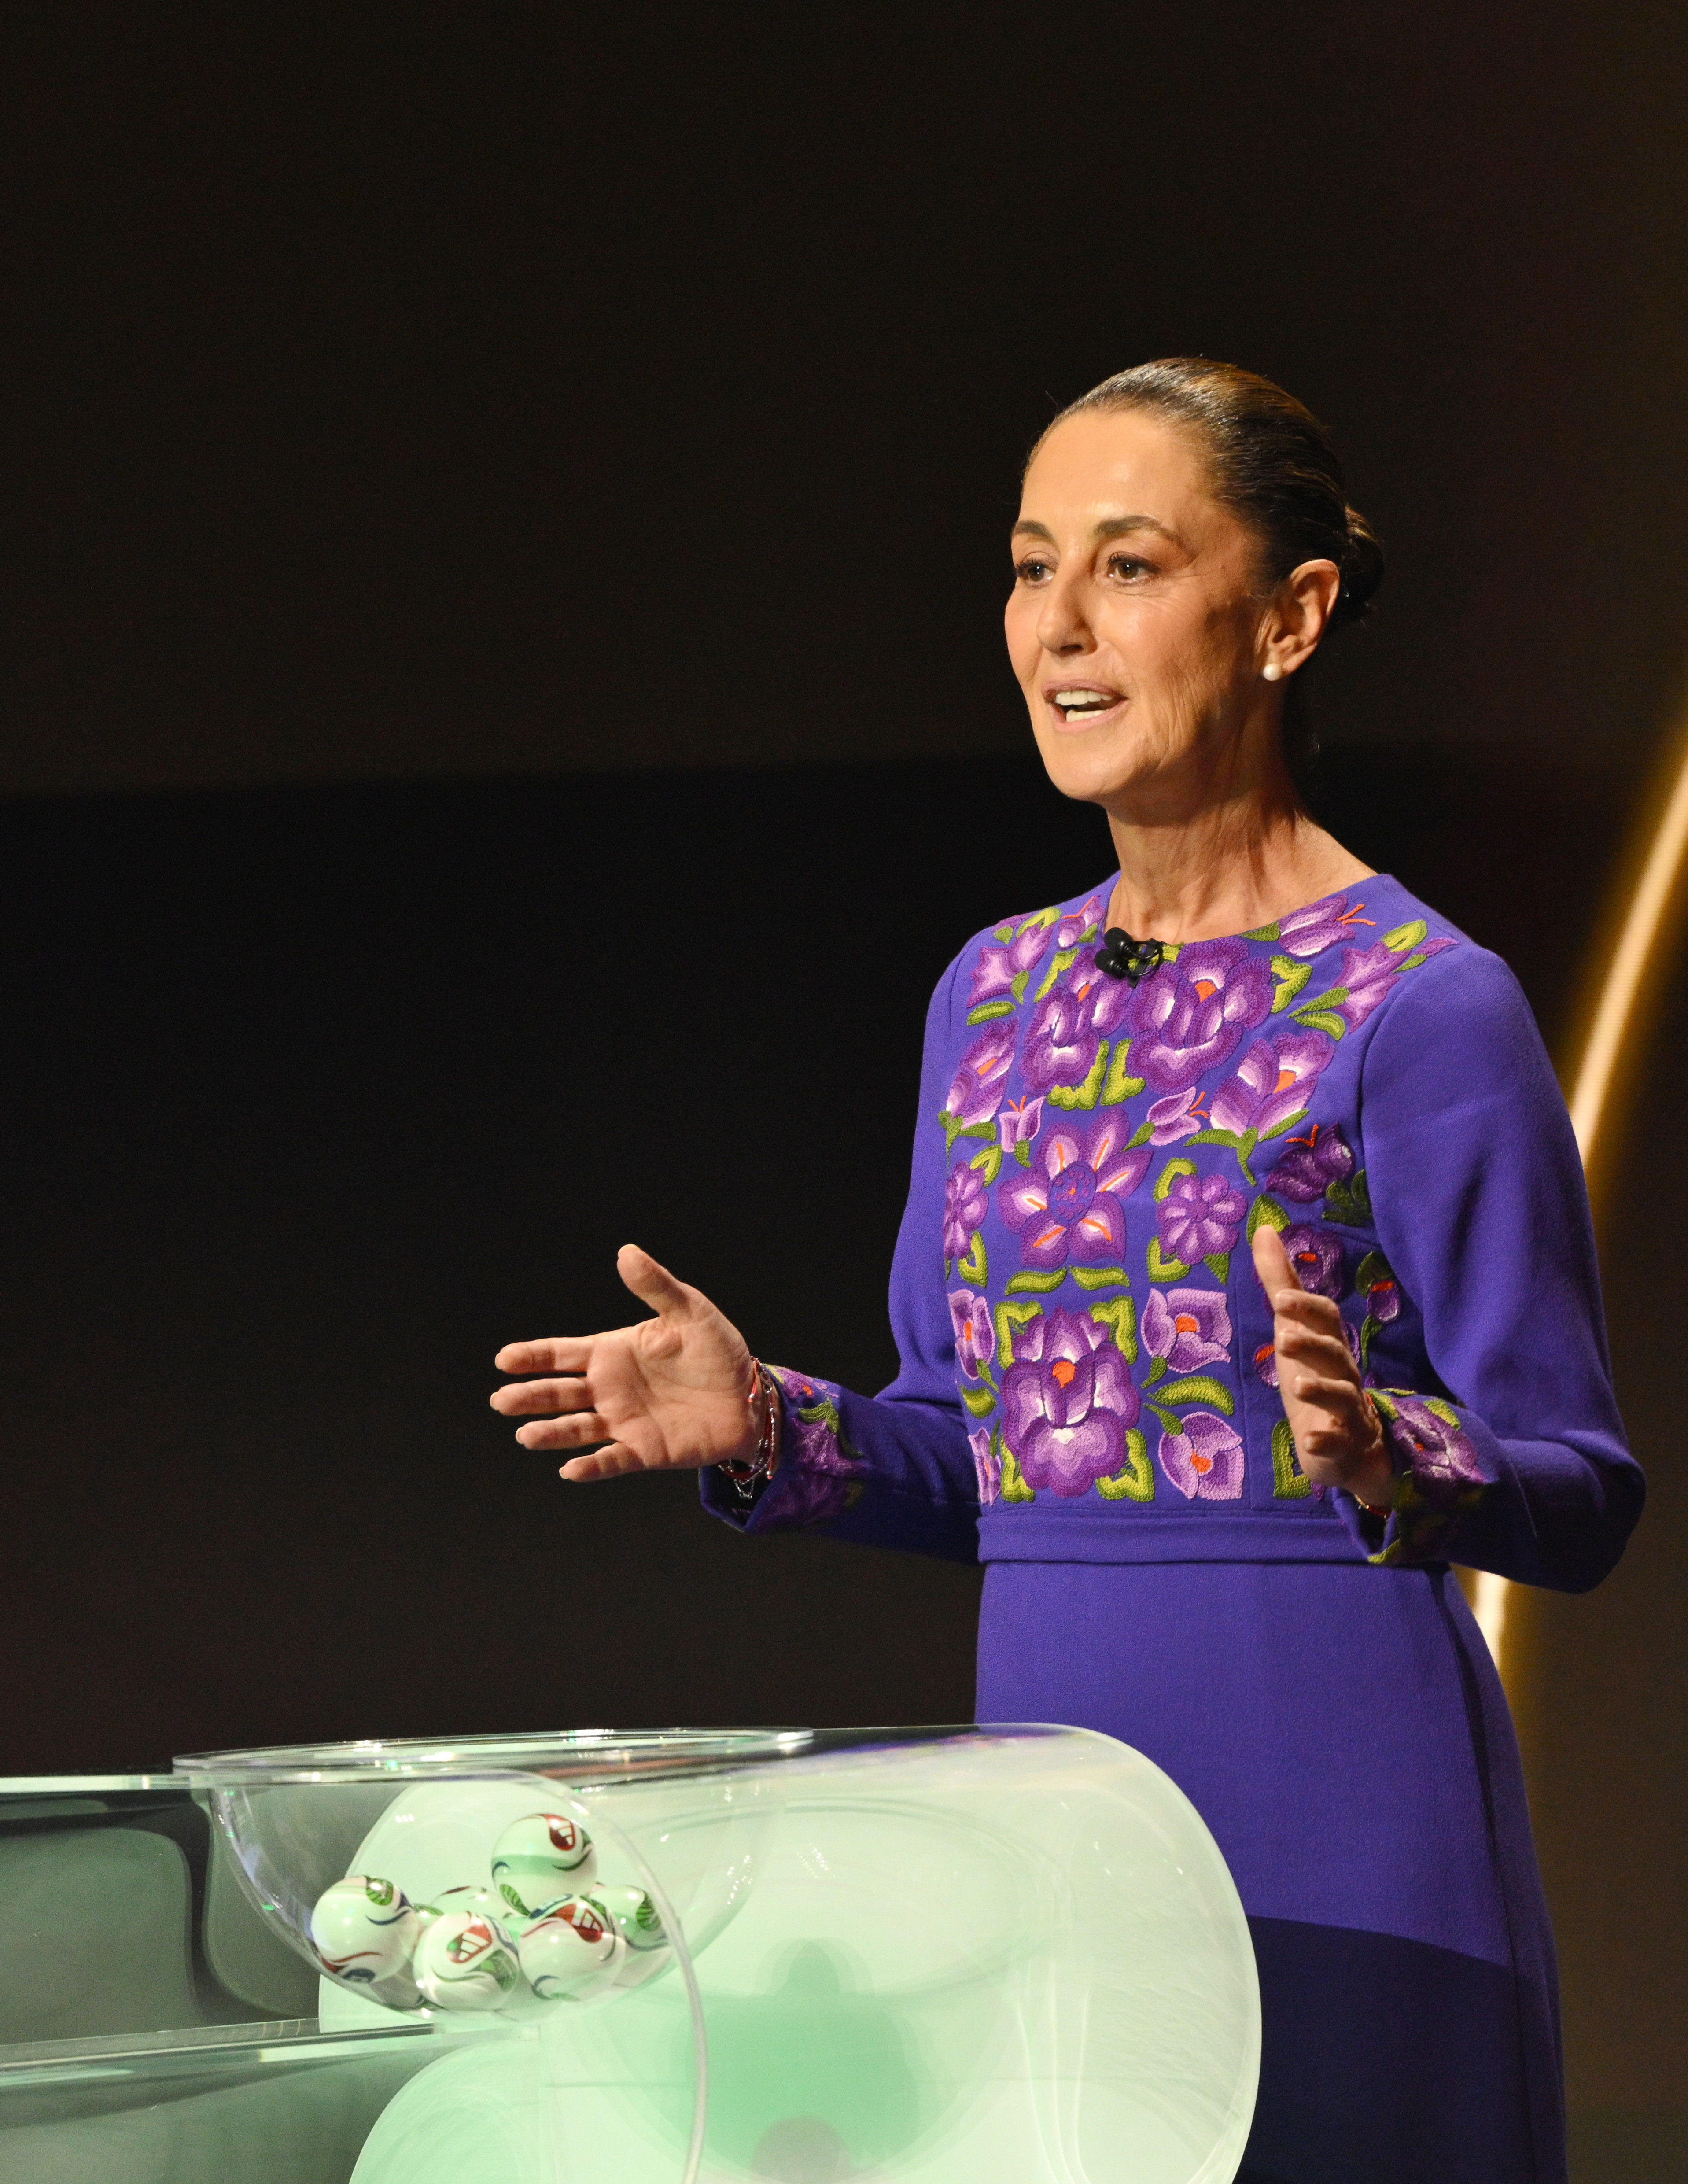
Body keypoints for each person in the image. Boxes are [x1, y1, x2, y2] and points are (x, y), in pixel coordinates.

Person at [490, 358, 1636, 2184]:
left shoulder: (1426, 1007)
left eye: (1130, 564)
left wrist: (1389, 1455)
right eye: (1031, 569)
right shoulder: (994, 999)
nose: (1060, 627)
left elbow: (1582, 1497)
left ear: (1291, 616)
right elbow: (981, 1464)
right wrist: (766, 1420)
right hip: (1065, 1828)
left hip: (1353, 1817)